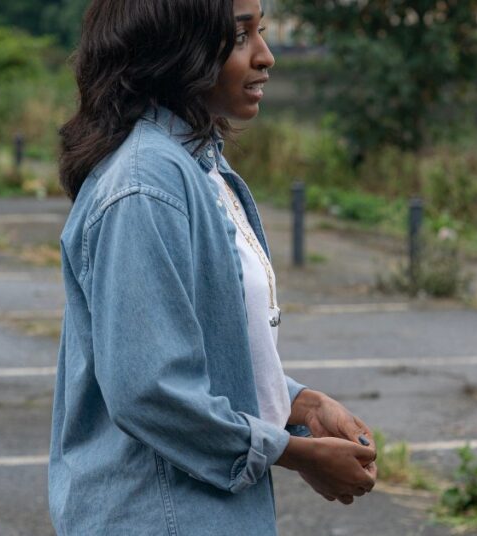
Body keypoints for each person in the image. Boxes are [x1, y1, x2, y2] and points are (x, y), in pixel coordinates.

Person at [49, 0, 377, 534]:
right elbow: (151, 389)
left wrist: (301, 405)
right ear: (177, 46)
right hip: (162, 516)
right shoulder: (146, 184)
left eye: (261, 31)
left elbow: (199, 350)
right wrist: (294, 453)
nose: (266, 56)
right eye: (241, 36)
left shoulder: (195, 164)